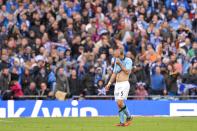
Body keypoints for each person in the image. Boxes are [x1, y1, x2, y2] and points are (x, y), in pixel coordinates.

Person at [105, 48, 132, 126]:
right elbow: (114, 73)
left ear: (120, 53)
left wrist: (120, 64)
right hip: (117, 84)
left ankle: (129, 117)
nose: (113, 53)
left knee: (120, 102)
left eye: (115, 52)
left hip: (124, 84)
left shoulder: (128, 60)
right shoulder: (116, 60)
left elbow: (127, 71)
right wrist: (109, 83)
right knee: (118, 104)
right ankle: (122, 122)